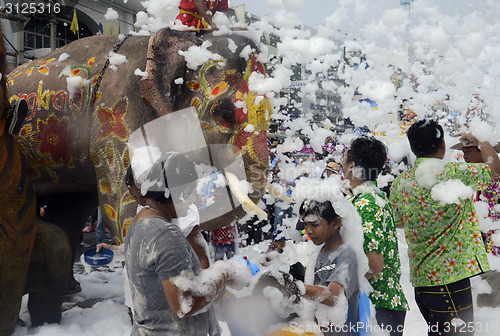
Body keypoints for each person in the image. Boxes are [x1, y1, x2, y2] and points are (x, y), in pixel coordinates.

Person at [102, 153, 249, 336]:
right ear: (178, 193)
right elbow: (184, 305)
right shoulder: (166, 234)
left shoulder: (140, 222)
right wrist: (225, 273)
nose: (196, 199)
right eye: (193, 192)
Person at [389, 119, 500, 336]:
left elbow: (399, 220)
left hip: (422, 282)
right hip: (450, 282)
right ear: (443, 146)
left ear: (412, 148)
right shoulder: (455, 172)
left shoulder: (400, 184)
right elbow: (494, 168)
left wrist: (423, 218)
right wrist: (482, 139)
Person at [341, 135, 408, 336]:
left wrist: (341, 286)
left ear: (352, 165)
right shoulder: (372, 197)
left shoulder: (366, 204)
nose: (341, 160)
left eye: (345, 155)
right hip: (382, 305)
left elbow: (374, 264)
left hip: (376, 307)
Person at [299, 199, 360, 336]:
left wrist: (298, 288)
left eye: (315, 225)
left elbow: (333, 297)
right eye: (305, 224)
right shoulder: (316, 254)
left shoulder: (346, 255)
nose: (308, 230)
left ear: (336, 223)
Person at [451, 142, 500, 255]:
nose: (465, 156)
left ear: (482, 150)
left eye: (468, 151)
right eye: (463, 152)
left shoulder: (495, 178)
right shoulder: (472, 178)